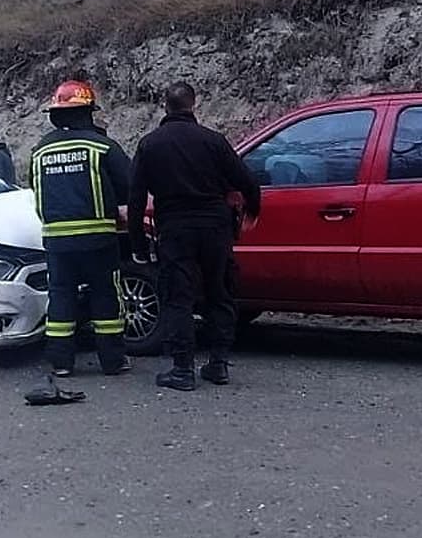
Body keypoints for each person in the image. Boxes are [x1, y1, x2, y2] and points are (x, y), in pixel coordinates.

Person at [128, 82, 260, 392]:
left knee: (179, 298)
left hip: (174, 228)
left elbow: (135, 198)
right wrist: (253, 211)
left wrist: (137, 244)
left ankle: (182, 369)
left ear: (165, 106)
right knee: (219, 293)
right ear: (194, 104)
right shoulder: (213, 141)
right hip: (215, 226)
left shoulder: (150, 144)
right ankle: (218, 364)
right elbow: (247, 181)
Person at [27, 79, 133, 393]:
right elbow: (129, 185)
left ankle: (60, 362)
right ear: (88, 112)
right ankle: (112, 361)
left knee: (60, 297)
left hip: (57, 242)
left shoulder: (40, 151)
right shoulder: (102, 146)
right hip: (99, 238)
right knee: (105, 296)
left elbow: (36, 191)